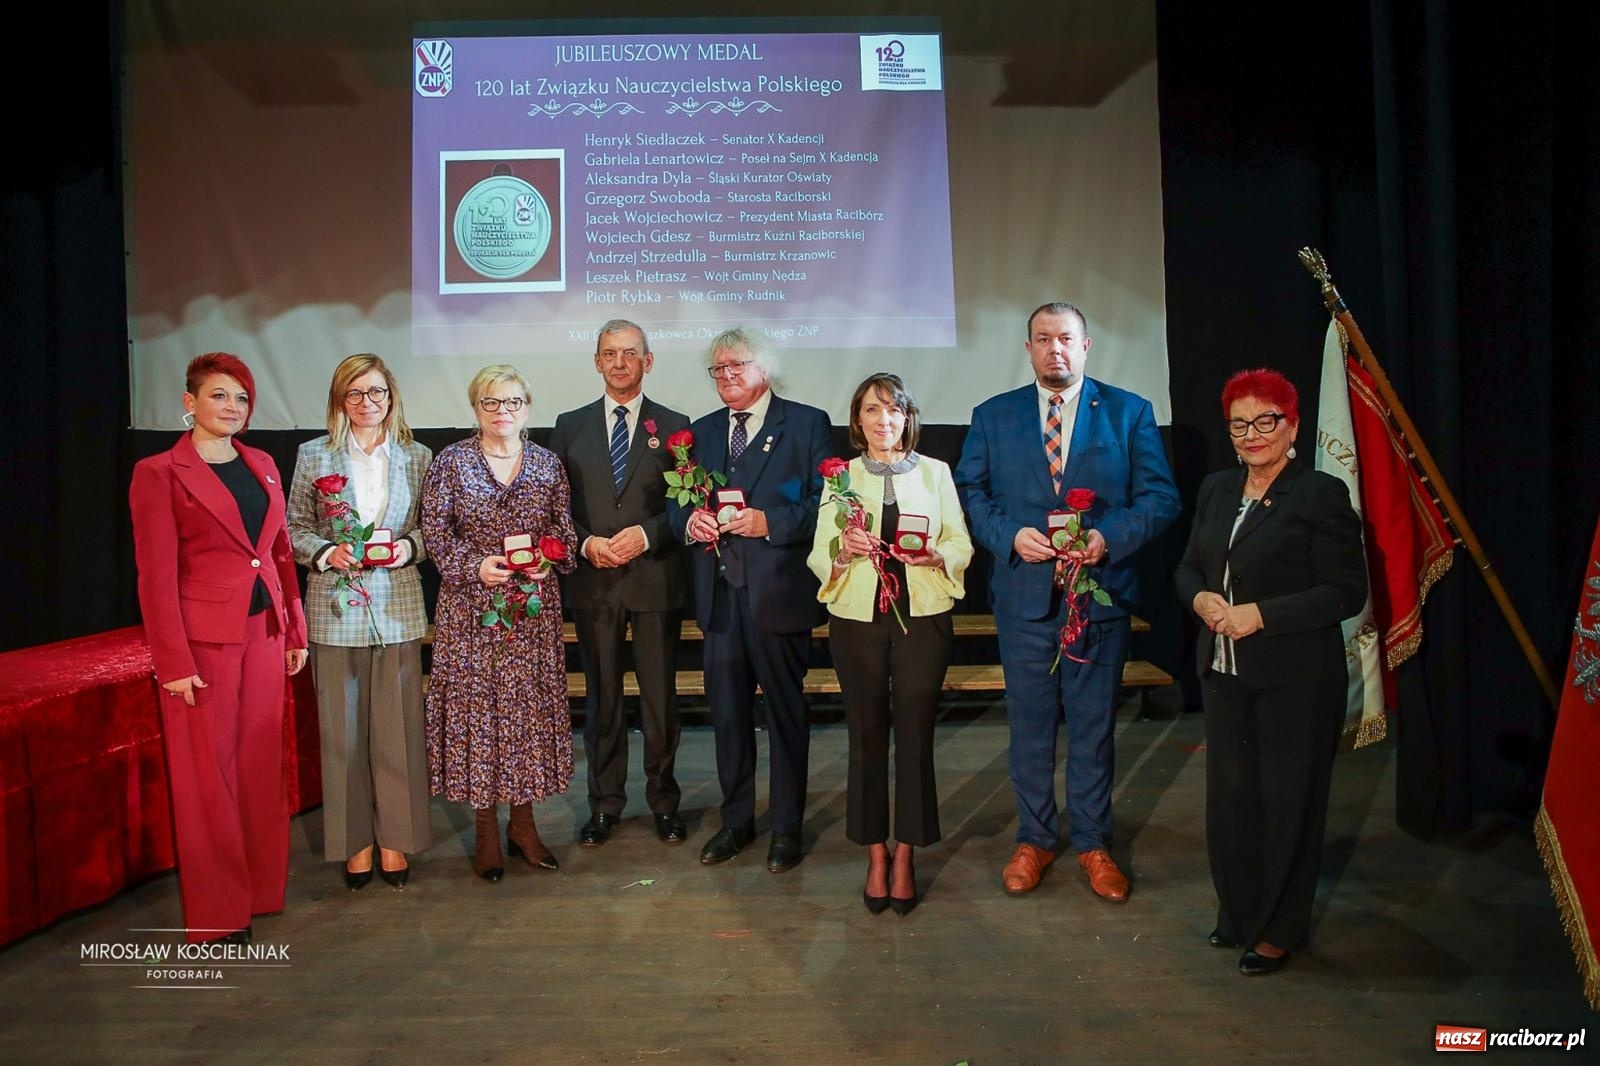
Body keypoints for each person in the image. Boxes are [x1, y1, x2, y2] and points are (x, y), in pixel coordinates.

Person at [955, 301, 1180, 902]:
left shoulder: (1130, 413)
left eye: (1066, 339)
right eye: (1042, 338)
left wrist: (1111, 538)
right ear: (1027, 347)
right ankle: (1034, 838)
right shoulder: (993, 416)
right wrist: (1006, 536)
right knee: (1029, 730)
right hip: (1024, 601)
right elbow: (969, 493)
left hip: (1097, 601)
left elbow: (1160, 498)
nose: (1055, 348)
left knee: (1092, 730)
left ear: (1086, 347)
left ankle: (1093, 842)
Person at [1174, 367, 1366, 976]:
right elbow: (1187, 570)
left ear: (1293, 425)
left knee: (1288, 805)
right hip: (1225, 677)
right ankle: (1239, 916)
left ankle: (1280, 931)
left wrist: (1261, 615)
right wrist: (1201, 600)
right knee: (1232, 805)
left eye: (1266, 421)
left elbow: (1345, 593)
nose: (1252, 434)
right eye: (1240, 423)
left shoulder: (1319, 494)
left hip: (1295, 681)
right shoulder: (1216, 489)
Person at [129, 352, 309, 943]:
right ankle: (216, 913)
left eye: (240, 399)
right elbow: (155, 577)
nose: (231, 408)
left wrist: (295, 630)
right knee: (209, 777)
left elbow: (279, 552)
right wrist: (172, 663)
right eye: (218, 396)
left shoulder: (261, 463)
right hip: (202, 644)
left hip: (264, 633)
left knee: (260, 766)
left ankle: (259, 892)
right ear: (190, 403)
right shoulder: (159, 472)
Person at [806, 373, 973, 915]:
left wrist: (936, 557)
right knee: (866, 737)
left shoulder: (936, 472)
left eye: (893, 411)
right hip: (857, 617)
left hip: (921, 616)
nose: (883, 420)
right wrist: (845, 550)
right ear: (857, 421)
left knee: (916, 737)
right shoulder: (842, 477)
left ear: (907, 418)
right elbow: (818, 551)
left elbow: (959, 540)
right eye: (872, 411)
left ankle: (907, 853)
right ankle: (875, 853)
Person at [671, 328, 832, 872]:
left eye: (736, 365)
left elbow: (826, 507)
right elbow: (679, 504)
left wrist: (769, 522)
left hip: (778, 596)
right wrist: (689, 522)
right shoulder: (700, 432)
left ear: (765, 367)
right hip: (719, 599)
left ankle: (786, 827)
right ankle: (736, 821)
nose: (726, 377)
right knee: (727, 717)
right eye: (716, 370)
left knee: (785, 715)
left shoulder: (807, 423)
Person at [421, 365, 577, 881]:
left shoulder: (548, 465)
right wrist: (474, 566)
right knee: (478, 719)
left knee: (526, 717)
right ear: (476, 409)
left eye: (512, 402)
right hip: (471, 613)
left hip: (532, 612)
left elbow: (565, 534)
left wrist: (549, 559)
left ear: (527, 408)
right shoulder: (450, 463)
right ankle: (486, 829)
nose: (502, 411)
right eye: (491, 402)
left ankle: (525, 827)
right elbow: (436, 535)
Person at [287, 354, 432, 890]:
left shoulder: (418, 456)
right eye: (355, 394)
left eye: (376, 393)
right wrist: (326, 552)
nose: (367, 403)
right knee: (341, 736)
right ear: (339, 402)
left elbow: (429, 530)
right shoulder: (313, 455)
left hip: (396, 605)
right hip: (334, 609)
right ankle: (355, 845)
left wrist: (406, 549)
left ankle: (396, 839)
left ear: (391, 397)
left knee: (397, 733)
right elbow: (294, 526)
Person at [548, 320, 691, 847]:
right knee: (603, 699)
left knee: (659, 701)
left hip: (655, 581)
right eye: (609, 353)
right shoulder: (569, 425)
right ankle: (604, 804)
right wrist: (586, 544)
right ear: (596, 361)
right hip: (595, 581)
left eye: (630, 353)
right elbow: (555, 504)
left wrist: (647, 535)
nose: (619, 362)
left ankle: (664, 802)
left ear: (648, 362)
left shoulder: (675, 424)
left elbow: (687, 503)